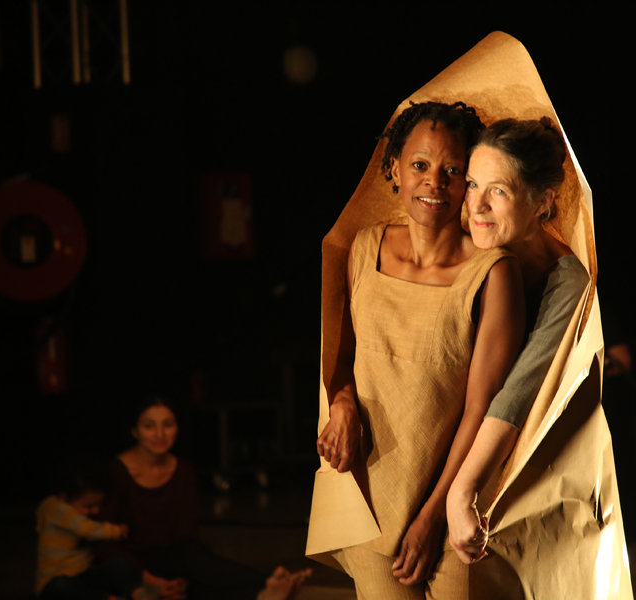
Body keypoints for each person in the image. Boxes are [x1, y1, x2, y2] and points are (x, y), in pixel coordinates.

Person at [311, 101, 526, 598]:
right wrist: (342, 403)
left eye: (453, 170)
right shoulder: (364, 249)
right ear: (394, 170)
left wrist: (435, 516)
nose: (435, 182)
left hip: (457, 507)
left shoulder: (493, 272)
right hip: (370, 500)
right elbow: (343, 361)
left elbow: (483, 408)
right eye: (420, 165)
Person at [445, 118, 591, 565]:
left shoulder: (566, 281)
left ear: (542, 202)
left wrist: (462, 491)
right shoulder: (464, 249)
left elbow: (517, 393)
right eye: (473, 184)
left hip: (504, 480)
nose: (477, 205)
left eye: (499, 191)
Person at [99, 395, 310, 600]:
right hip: (130, 564)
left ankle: (264, 594)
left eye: (168, 425)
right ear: (134, 431)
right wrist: (147, 578)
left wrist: (181, 576)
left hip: (176, 559)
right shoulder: (117, 471)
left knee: (196, 570)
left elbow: (186, 534)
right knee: (192, 562)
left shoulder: (183, 470)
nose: (160, 434)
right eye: (149, 426)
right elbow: (103, 541)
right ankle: (268, 583)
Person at [36, 454, 145, 600]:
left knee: (118, 565)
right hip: (55, 579)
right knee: (60, 587)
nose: (96, 511)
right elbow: (87, 529)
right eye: (89, 506)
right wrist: (117, 530)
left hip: (84, 574)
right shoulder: (56, 508)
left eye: (99, 505)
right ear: (63, 497)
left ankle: (137, 592)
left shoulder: (67, 506)